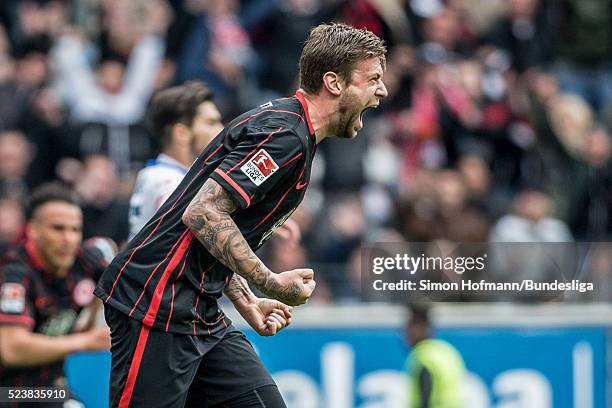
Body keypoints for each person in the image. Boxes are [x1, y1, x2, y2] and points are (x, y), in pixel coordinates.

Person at [95, 22, 388, 407]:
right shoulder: (285, 136)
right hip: (156, 303)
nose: (382, 90)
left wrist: (248, 301)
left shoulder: (292, 130)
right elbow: (203, 213)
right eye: (372, 79)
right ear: (334, 83)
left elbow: (216, 228)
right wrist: (269, 282)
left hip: (200, 308)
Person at [0, 183, 112, 407]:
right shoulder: (14, 272)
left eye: (75, 230)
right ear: (32, 230)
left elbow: (124, 274)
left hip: (51, 387)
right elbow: (11, 349)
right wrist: (85, 341)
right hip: (7, 392)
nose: (69, 239)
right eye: (58, 229)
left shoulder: (85, 262)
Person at [129, 81, 223, 240]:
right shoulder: (168, 181)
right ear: (181, 133)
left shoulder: (158, 174)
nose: (222, 130)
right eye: (211, 123)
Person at [405, 305, 466, 408]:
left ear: (422, 327)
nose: (406, 335)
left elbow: (425, 396)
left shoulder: (423, 356)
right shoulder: (446, 351)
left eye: (409, 329)